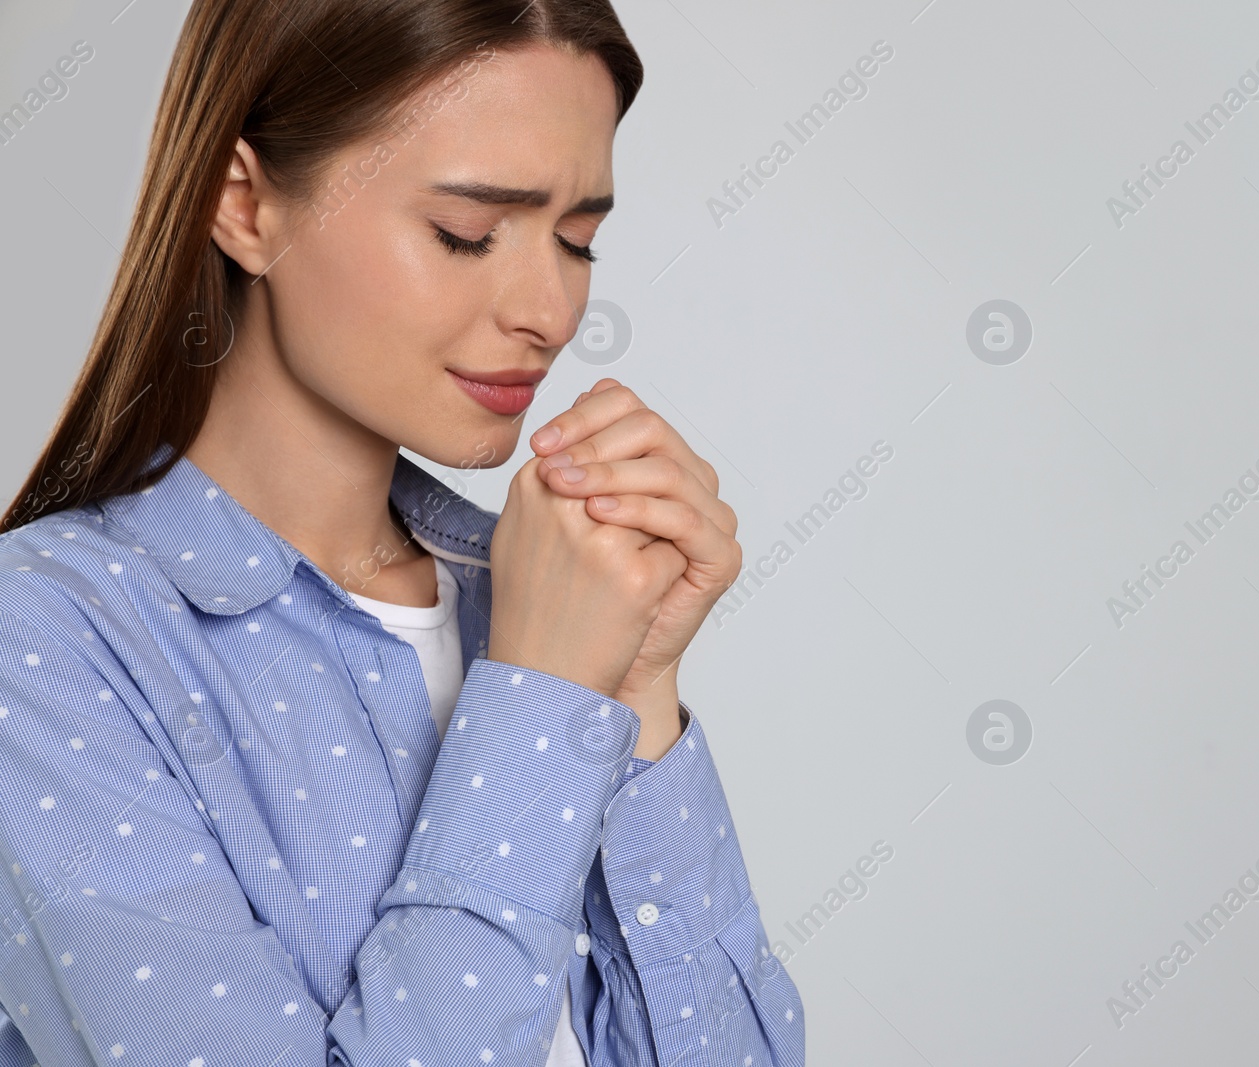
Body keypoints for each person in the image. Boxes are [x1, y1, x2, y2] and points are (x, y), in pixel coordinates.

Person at [0, 2, 804, 1064]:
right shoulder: (48, 636)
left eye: (577, 240)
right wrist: (539, 696)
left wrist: (637, 687)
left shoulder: (534, 592)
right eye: (466, 233)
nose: (551, 310)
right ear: (244, 205)